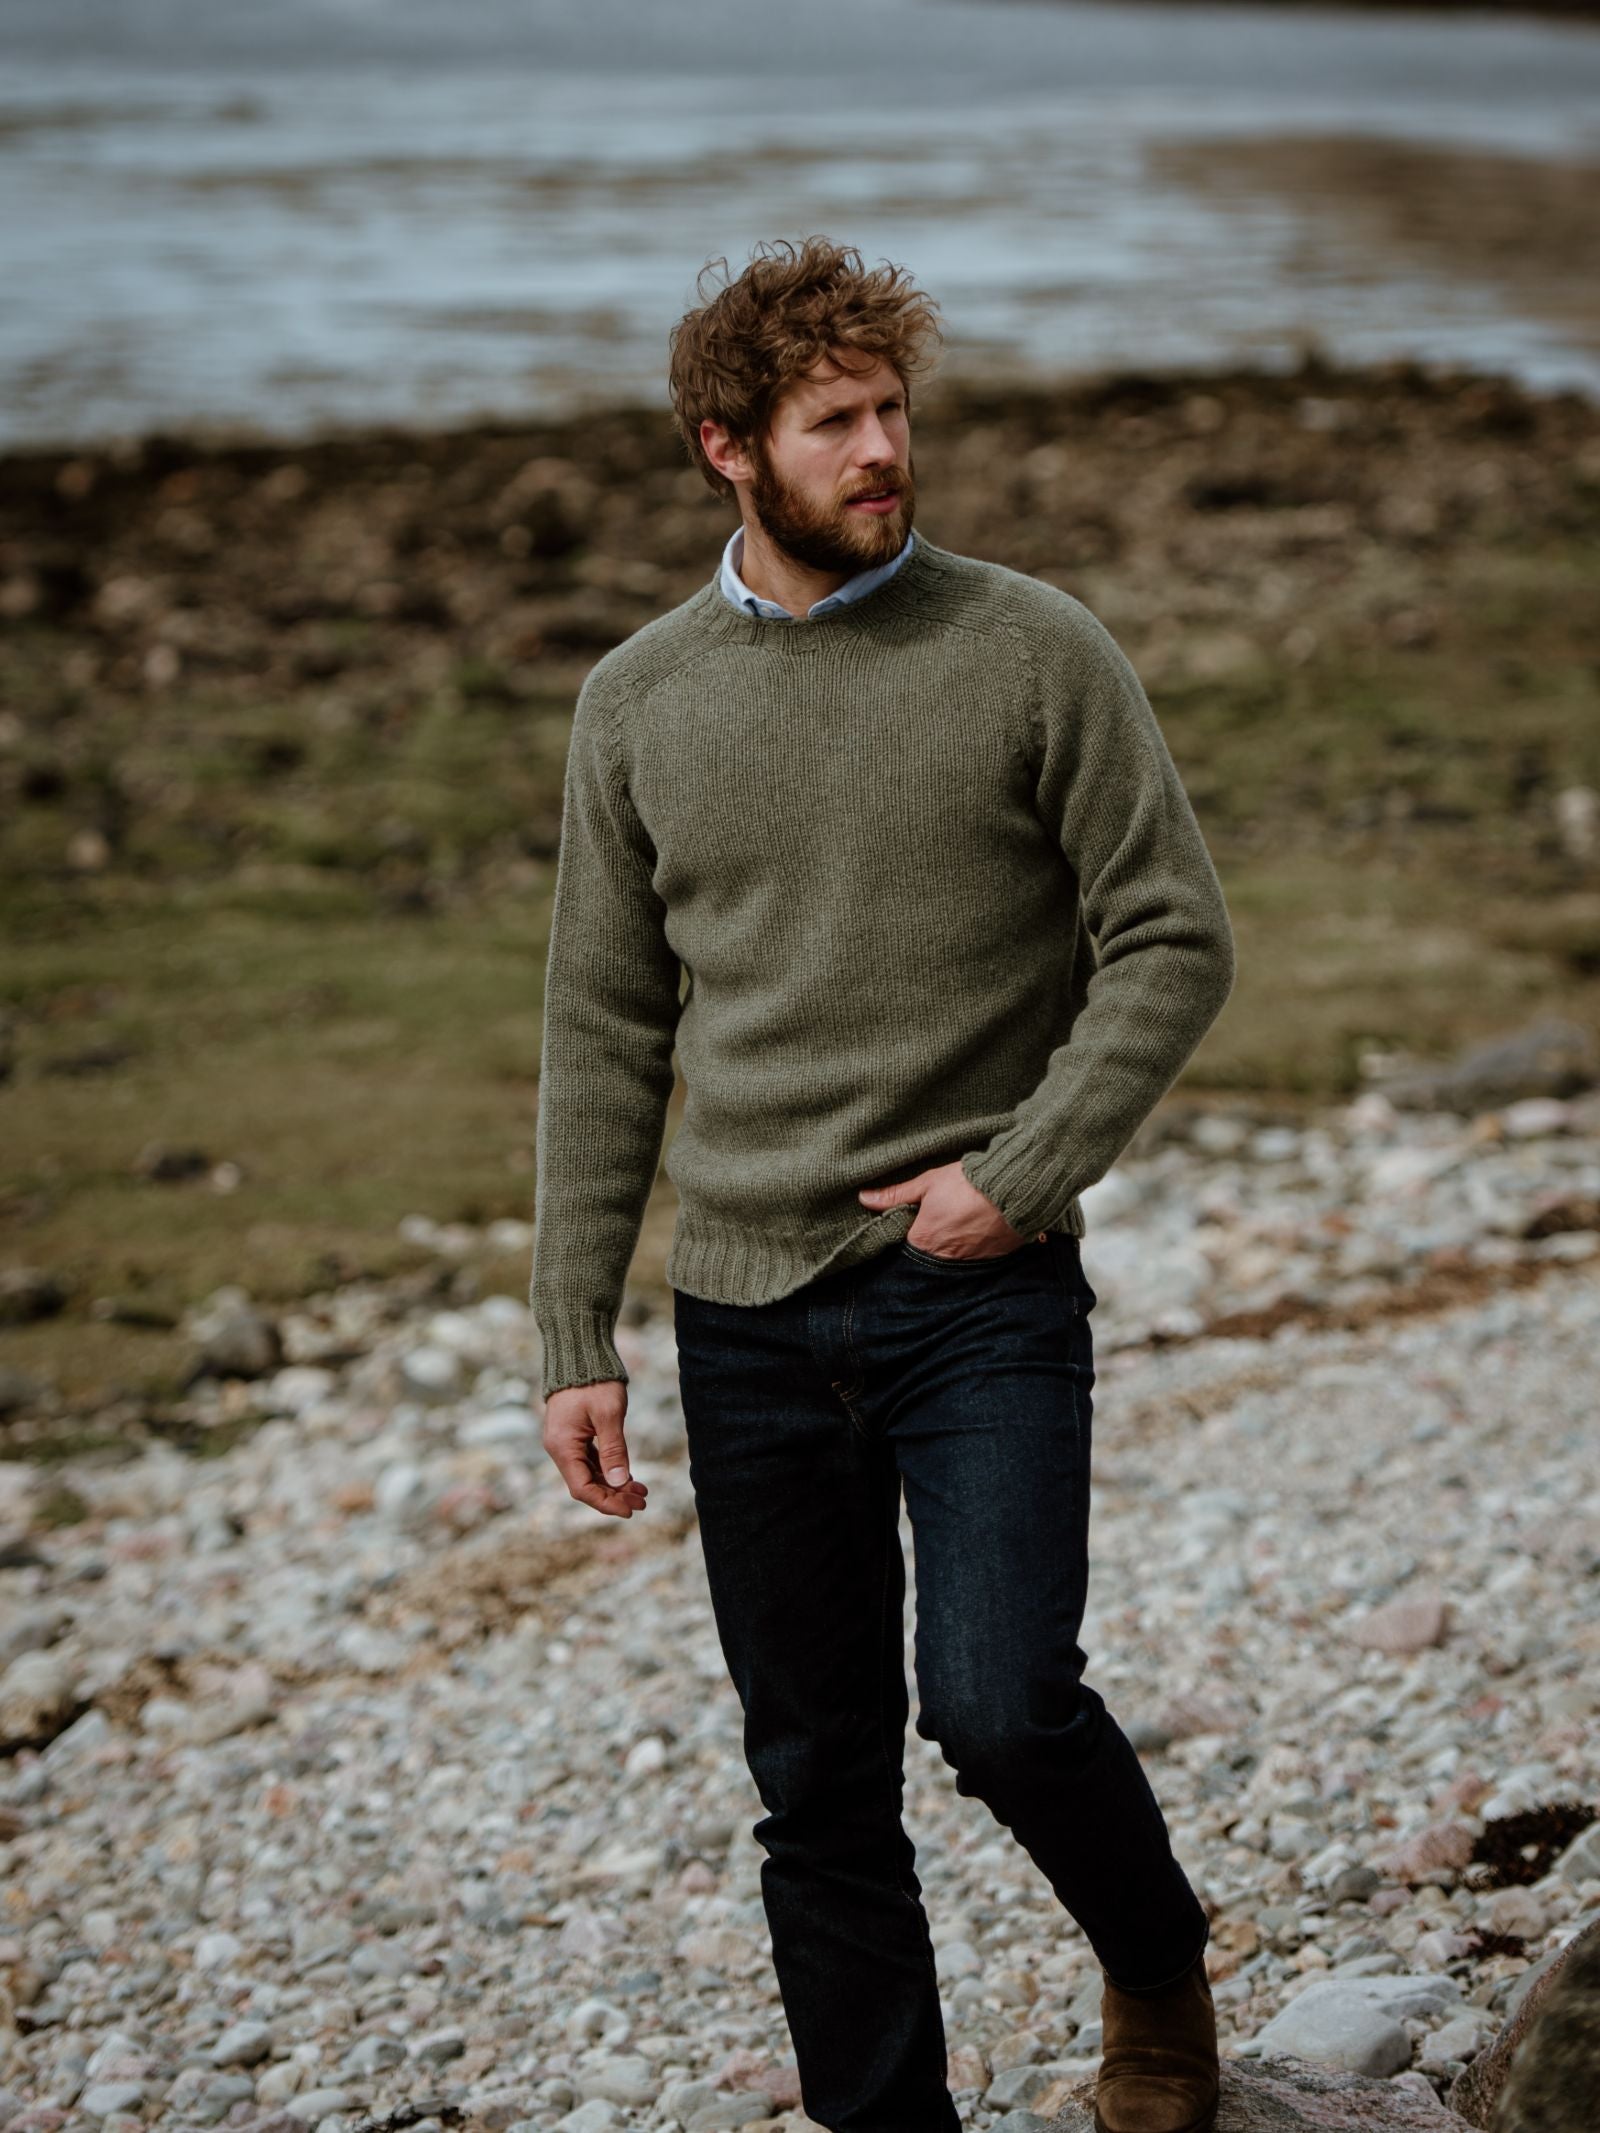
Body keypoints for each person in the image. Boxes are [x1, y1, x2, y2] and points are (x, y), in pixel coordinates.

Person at [530, 233, 1234, 2133]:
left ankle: (1160, 1968)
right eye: (833, 420)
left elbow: (1170, 936)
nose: (880, 450)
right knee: (817, 1780)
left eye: (893, 411)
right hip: (743, 1319)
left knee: (1003, 1709)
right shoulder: (636, 704)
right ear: (725, 450)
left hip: (976, 1285)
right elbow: (605, 1029)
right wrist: (570, 1332)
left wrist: (1019, 1177)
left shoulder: (1033, 649)